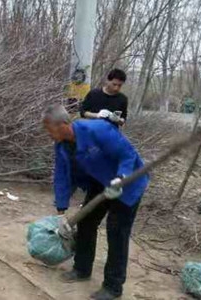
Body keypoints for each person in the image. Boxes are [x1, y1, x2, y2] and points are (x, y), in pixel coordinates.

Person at [42, 104, 149, 300]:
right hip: (101, 183)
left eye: (49, 129)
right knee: (86, 223)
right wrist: (61, 211)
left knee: (116, 232)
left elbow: (127, 154)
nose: (48, 134)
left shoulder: (96, 129)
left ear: (63, 125)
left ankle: (113, 286)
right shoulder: (62, 146)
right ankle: (82, 269)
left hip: (127, 182)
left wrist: (121, 177)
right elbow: (62, 176)